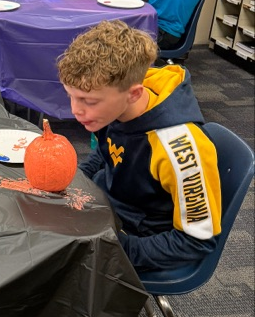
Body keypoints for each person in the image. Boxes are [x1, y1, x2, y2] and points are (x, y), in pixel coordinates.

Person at [57, 20, 221, 273]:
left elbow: (196, 241)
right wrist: (73, 180)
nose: (75, 111)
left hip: (142, 236)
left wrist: (116, 248)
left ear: (134, 94)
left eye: (88, 101)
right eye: (71, 96)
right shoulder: (111, 107)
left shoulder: (180, 148)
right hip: (112, 204)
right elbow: (106, 153)